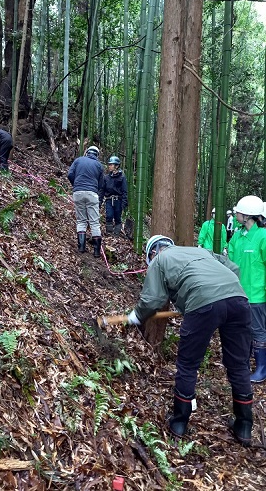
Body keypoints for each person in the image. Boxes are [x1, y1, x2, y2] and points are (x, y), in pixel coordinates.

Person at [127, 235, 253, 446]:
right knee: (239, 365)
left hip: (203, 304)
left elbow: (153, 299)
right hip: (239, 300)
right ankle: (244, 426)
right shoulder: (199, 251)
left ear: (153, 252)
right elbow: (234, 268)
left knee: (188, 364)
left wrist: (137, 316)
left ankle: (179, 423)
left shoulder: (160, 260)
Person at [228, 195, 266, 383]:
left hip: (258, 295)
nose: (236, 214)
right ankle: (244, 363)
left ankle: (261, 368)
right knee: (243, 330)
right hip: (239, 294)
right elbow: (231, 262)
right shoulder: (237, 235)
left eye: (239, 212)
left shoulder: (263, 236)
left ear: (248, 215)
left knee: (258, 331)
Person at [67, 146, 104, 257]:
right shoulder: (99, 165)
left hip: (78, 193)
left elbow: (70, 174)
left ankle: (81, 247)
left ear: (87, 152)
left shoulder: (78, 160)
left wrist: (76, 185)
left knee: (81, 220)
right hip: (92, 193)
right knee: (94, 222)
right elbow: (101, 183)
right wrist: (94, 190)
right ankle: (96, 252)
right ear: (97, 154)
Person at [99, 156, 128, 236]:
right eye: (109, 164)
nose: (109, 166)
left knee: (117, 218)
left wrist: (124, 204)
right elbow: (102, 190)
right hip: (109, 200)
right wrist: (100, 201)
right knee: (109, 216)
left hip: (118, 200)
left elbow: (125, 191)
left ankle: (116, 234)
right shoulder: (106, 177)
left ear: (116, 166)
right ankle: (109, 233)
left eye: (111, 165)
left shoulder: (122, 177)